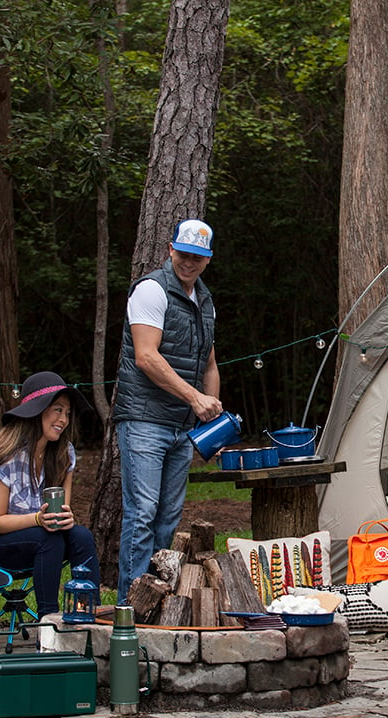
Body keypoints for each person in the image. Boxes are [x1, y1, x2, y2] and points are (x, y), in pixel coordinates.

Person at [112, 219, 223, 602]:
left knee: (167, 519)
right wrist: (195, 399)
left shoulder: (205, 303)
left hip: (180, 428)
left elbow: (209, 366)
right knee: (142, 512)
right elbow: (145, 357)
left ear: (207, 260)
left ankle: (155, 600)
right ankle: (130, 603)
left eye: (198, 257)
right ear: (170, 250)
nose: (189, 263)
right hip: (144, 420)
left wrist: (214, 428)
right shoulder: (151, 290)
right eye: (184, 254)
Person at [0, 371, 99, 617]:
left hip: (38, 539)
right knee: (47, 538)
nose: (64, 419)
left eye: (67, 413)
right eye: (57, 409)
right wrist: (39, 519)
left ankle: (89, 613)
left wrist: (64, 519)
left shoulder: (63, 453)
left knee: (81, 535)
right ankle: (48, 622)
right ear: (38, 410)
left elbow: (60, 516)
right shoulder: (2, 455)